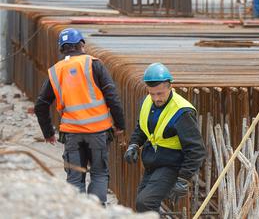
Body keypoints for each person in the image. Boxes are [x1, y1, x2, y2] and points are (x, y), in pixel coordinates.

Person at [34, 28, 126, 205]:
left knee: (75, 178)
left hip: (72, 134)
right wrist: (120, 124)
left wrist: (48, 132)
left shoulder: (56, 71)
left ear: (62, 49)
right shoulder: (94, 64)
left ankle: (77, 213)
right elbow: (112, 96)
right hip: (98, 132)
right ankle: (97, 212)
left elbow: (41, 105)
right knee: (99, 174)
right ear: (82, 44)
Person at [124, 63, 206, 213]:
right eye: (152, 93)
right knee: (142, 206)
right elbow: (142, 127)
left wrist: (183, 178)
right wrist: (134, 144)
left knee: (145, 203)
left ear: (170, 87)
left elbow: (197, 149)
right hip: (152, 163)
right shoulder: (147, 101)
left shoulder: (182, 112)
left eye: (160, 93)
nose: (156, 98)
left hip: (171, 165)